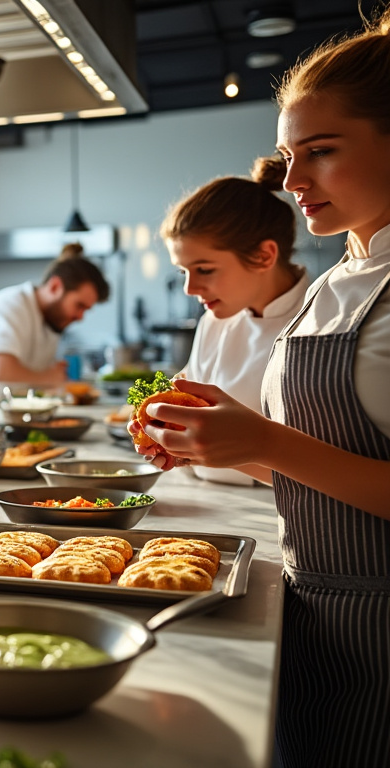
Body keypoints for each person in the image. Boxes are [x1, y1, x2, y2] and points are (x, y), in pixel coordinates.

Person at [134, 10, 390, 763]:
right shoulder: (338, 281)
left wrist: (262, 438)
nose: (291, 180)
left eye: (320, 151)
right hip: (312, 609)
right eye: (287, 155)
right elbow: (315, 472)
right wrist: (224, 444)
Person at [159, 159, 310, 485]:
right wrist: (166, 432)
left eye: (205, 269)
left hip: (284, 513)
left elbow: (327, 471)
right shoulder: (214, 321)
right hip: (208, 501)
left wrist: (200, 450)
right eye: (183, 271)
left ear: (263, 256)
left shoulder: (321, 319)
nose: (190, 288)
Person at [0, 243, 109, 386]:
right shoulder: (9, 307)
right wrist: (48, 377)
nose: (80, 317)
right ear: (54, 287)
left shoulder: (50, 320)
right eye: (79, 306)